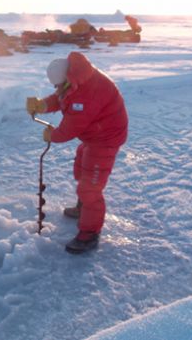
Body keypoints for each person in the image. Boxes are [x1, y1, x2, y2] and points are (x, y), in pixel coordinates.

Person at [26, 52, 128, 254]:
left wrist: (52, 135)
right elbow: (62, 97)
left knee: (90, 186)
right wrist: (42, 105)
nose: (56, 89)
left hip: (105, 138)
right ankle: (84, 208)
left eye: (57, 85)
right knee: (81, 168)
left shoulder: (86, 94)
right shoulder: (77, 77)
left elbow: (71, 127)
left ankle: (90, 234)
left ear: (66, 79)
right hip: (95, 134)